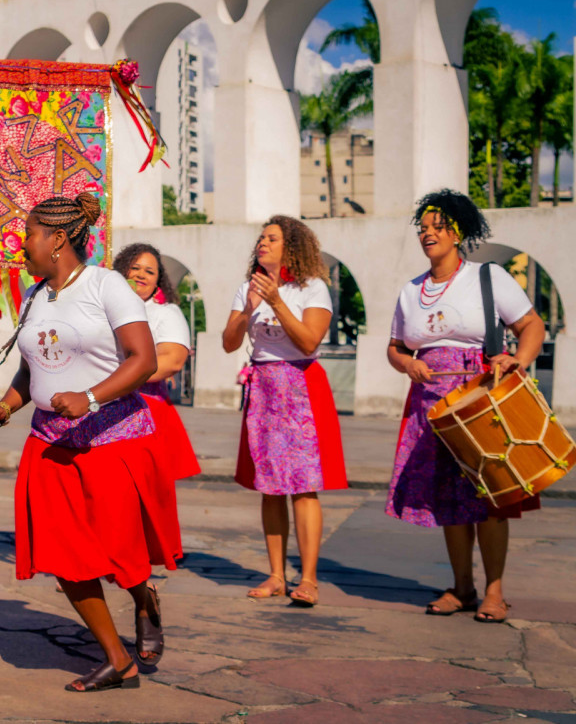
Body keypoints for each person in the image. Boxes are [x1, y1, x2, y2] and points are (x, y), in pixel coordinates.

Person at [0, 193, 181, 692]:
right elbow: (34, 368)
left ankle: (143, 597)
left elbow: (143, 359)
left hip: (110, 439)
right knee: (65, 556)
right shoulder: (34, 295)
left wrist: (89, 397)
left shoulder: (106, 285)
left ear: (58, 239)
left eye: (29, 234)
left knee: (117, 551)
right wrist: (6, 405)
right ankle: (118, 659)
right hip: (49, 445)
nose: (21, 243)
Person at [386, 189, 544, 623]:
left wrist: (518, 360)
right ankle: (462, 588)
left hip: (480, 395)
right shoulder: (411, 290)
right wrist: (407, 364)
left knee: (489, 494)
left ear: (457, 232)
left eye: (437, 227)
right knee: (448, 500)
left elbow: (531, 325)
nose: (428, 233)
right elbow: (395, 347)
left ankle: (494, 592)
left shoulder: (486, 278)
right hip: (431, 403)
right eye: (423, 227)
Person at [222, 215, 348, 607]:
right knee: (269, 487)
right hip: (263, 389)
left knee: (304, 486)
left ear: (290, 246)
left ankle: (308, 579)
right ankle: (276, 575)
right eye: (261, 237)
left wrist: (276, 301)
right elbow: (229, 343)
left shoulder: (312, 288)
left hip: (300, 387)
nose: (262, 243)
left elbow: (309, 341)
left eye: (272, 238)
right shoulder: (248, 287)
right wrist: (248, 308)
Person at [114, 243, 200, 481]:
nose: (141, 274)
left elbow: (172, 361)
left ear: (158, 281)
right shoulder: (101, 308)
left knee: (145, 487)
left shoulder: (165, 313)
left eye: (150, 271)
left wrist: (116, 380)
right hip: (101, 403)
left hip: (145, 409)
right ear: (122, 271)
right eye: (135, 268)